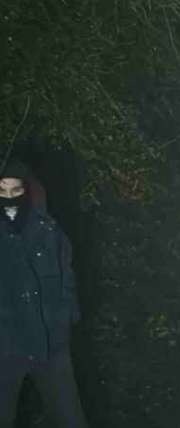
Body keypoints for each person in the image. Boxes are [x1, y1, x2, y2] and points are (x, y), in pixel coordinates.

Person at [0, 160, 88, 427]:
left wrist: (65, 319)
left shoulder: (49, 231)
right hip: (5, 350)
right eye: (2, 191)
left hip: (51, 347)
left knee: (70, 420)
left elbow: (66, 278)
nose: (9, 198)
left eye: (16, 190)